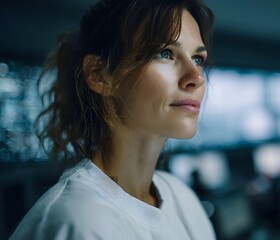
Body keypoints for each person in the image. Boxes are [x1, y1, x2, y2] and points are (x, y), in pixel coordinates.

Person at [10, 0, 215, 239]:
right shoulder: (79, 219)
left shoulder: (182, 197)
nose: (197, 78)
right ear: (100, 75)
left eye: (198, 59)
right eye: (165, 53)